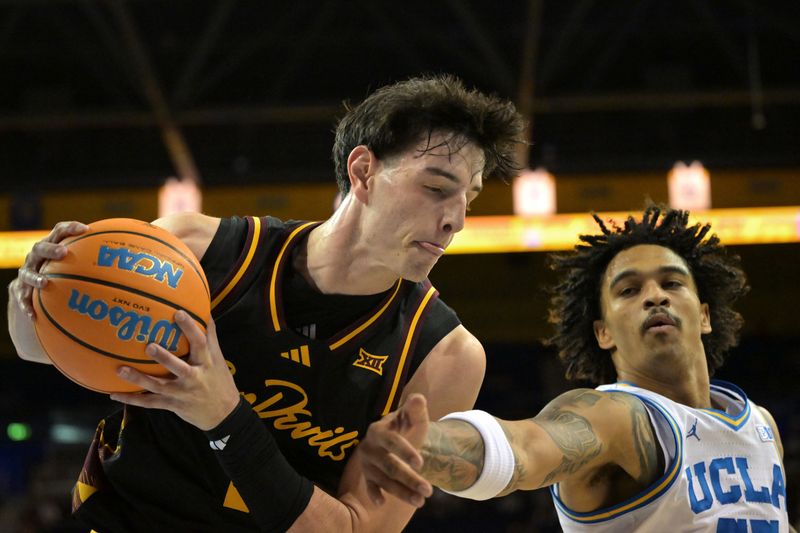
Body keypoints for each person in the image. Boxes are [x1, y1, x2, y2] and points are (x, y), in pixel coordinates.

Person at [7, 75, 525, 532]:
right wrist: (32, 294)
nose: (456, 218)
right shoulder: (197, 250)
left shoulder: (445, 356)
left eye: (469, 200)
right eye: (438, 187)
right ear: (363, 171)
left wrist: (224, 416)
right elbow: (37, 349)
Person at [358, 205, 794, 532]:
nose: (655, 296)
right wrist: (423, 443)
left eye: (672, 282)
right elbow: (526, 447)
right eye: (629, 290)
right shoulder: (616, 417)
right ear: (603, 332)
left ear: (704, 315)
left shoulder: (760, 424)